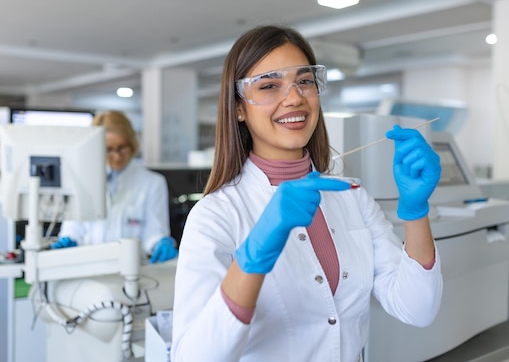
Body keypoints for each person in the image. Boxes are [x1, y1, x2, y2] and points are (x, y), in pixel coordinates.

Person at [170, 25, 443, 362]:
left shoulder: (350, 196)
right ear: (238, 108)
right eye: (269, 85)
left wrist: (416, 211)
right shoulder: (215, 215)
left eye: (304, 81)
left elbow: (418, 309)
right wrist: (252, 260)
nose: (294, 97)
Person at [51, 110, 178, 264]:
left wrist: (160, 242)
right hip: (87, 268)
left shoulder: (152, 183)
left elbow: (154, 232)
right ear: (95, 147)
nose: (117, 156)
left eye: (122, 148)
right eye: (109, 149)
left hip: (133, 273)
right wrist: (69, 240)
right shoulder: (82, 181)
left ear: (132, 144)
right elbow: (74, 228)